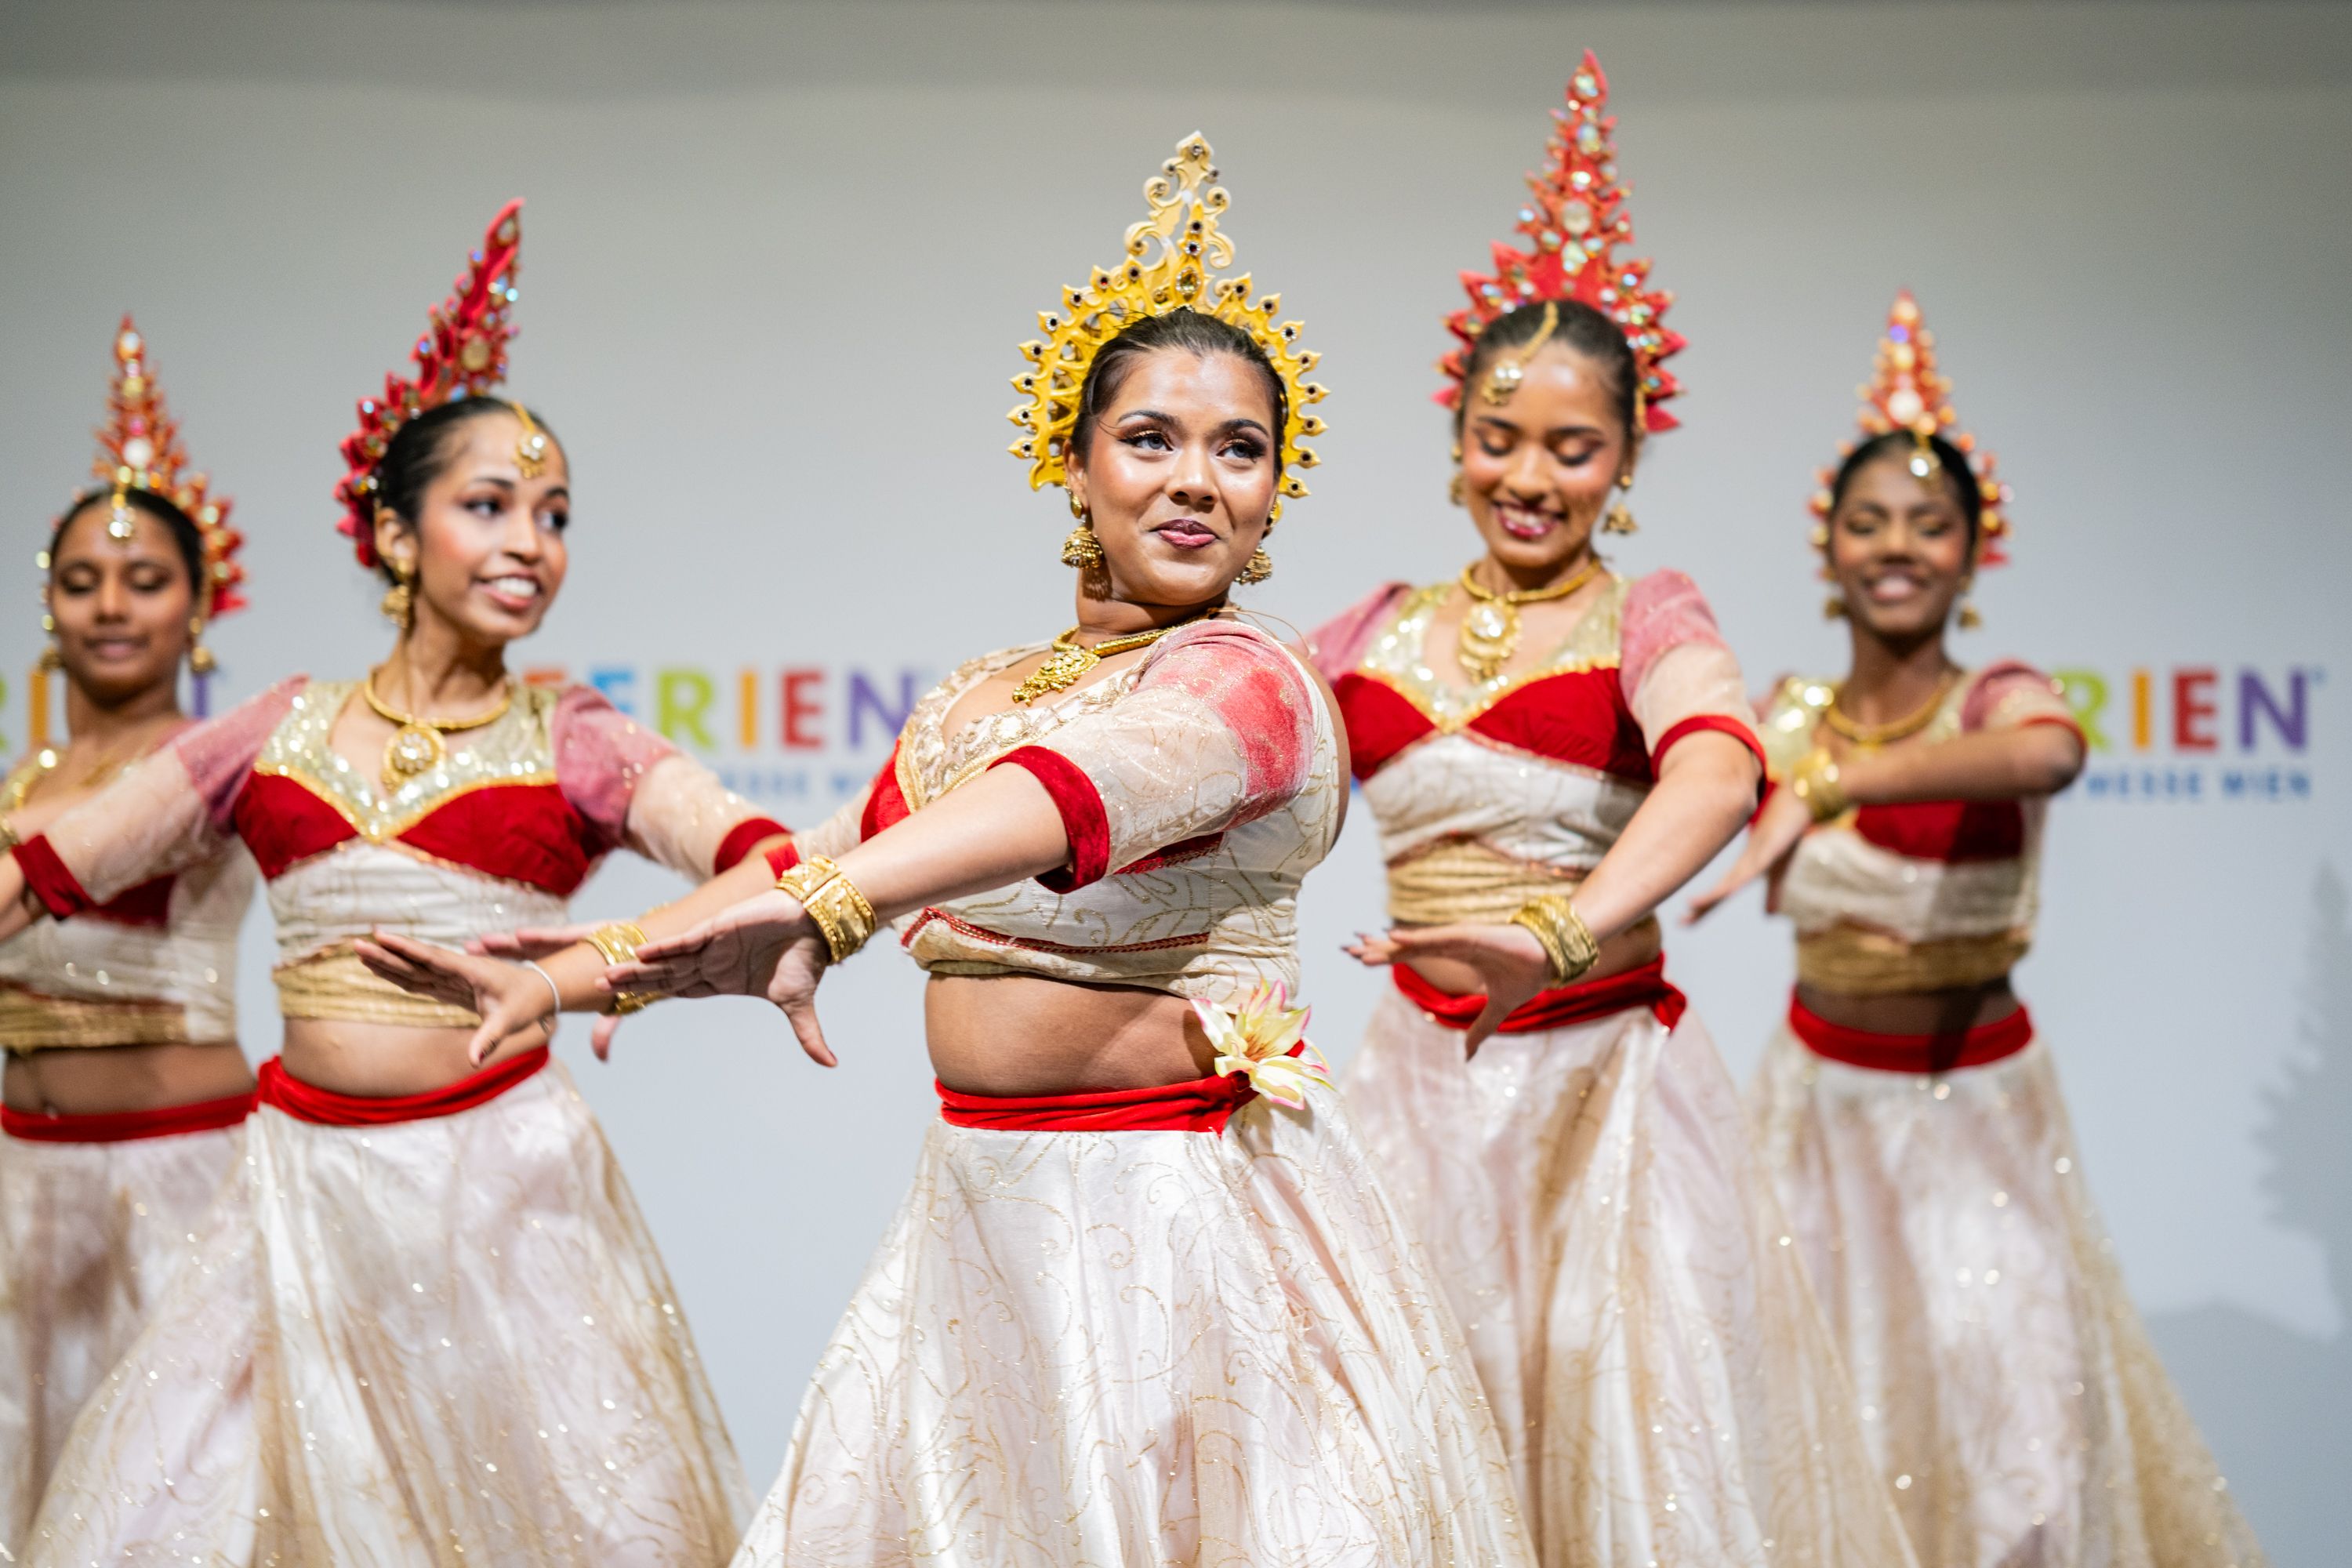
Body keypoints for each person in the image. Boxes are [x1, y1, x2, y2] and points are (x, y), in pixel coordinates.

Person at [357, 136, 1534, 1568]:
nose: (1196, 480)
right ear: (1077, 463)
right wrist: (599, 970)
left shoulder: (1252, 678)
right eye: (1150, 438)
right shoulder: (980, 692)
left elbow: (1067, 796)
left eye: (1240, 449)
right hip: (982, 1224)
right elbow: (832, 845)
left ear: (1275, 493)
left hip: (1183, 1229)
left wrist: (840, 906)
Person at [4, 202, 768, 1565]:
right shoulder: (276, 727)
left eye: (556, 515)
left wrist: (607, 959)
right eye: (489, 507)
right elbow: (53, 864)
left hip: (504, 1192)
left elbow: (766, 863)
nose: (531, 541)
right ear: (396, 533)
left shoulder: (575, 736)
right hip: (286, 1197)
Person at [1310, 56, 1918, 1564]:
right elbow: (1231, 775)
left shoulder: (1650, 608)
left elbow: (1716, 767)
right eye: (1500, 439)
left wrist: (1563, 931)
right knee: (1414, 1461)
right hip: (1413, 1102)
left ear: (1627, 464)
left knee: (1626, 1473)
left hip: (1608, 1105)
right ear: (1456, 435)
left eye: (1572, 449)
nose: (1529, 477)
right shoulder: (1368, 625)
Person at [1691, 290, 2268, 1568]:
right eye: (1869, 522)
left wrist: (1838, 787)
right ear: (1828, 547)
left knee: (2024, 1456)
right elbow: (1700, 796)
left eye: (1930, 525)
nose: (1897, 546)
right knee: (1820, 1427)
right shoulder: (1788, 713)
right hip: (1820, 1115)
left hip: (1977, 1116)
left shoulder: (1997, 699)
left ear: (1970, 554)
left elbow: (2051, 757)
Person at [0, 320, 256, 1549]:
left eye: (146, 580)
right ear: (46, 602)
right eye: (81, 580)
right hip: (20, 1185)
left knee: (168, 1514)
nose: (110, 605)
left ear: (199, 607)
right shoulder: (20, 776)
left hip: (176, 1182)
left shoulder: (216, 765)